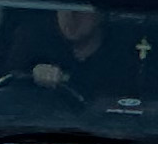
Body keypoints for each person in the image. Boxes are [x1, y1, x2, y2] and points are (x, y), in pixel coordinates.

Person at [10, 6, 153, 104]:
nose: (71, 17)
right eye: (64, 9)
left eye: (81, 10)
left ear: (100, 15)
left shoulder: (127, 60)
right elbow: (3, 94)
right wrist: (32, 76)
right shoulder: (33, 49)